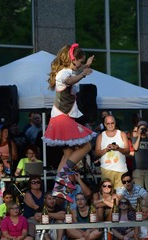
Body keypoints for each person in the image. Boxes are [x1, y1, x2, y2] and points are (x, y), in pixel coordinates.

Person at [43, 43, 96, 200]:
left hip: (61, 117)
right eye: (80, 61)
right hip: (62, 118)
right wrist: (84, 73)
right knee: (86, 146)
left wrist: (85, 66)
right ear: (73, 59)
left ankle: (59, 188)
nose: (80, 64)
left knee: (67, 153)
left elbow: (72, 73)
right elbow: (70, 79)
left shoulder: (66, 71)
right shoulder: (63, 74)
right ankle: (62, 178)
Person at [95, 115, 129, 190]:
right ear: (104, 124)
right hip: (106, 169)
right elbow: (96, 153)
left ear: (115, 123)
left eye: (112, 123)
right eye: (108, 123)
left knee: (121, 194)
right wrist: (106, 149)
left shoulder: (122, 134)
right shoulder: (101, 136)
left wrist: (118, 148)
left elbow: (127, 150)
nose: (110, 125)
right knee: (107, 194)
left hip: (121, 170)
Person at [132, 120, 148, 198]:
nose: (143, 130)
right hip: (138, 169)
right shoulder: (135, 138)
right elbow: (135, 148)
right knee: (138, 190)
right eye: (141, 129)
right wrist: (139, 135)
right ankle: (140, 207)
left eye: (144, 129)